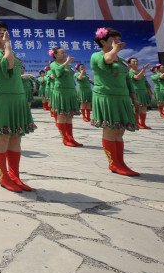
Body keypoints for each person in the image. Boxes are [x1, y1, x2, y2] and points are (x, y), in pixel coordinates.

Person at [0, 21, 36, 192]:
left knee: (16, 137)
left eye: (5, 30)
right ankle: (3, 177)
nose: (3, 32)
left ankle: (15, 176)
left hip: (17, 97)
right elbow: (9, 65)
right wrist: (7, 45)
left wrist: (7, 47)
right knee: (3, 137)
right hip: (0, 97)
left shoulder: (7, 50)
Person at [91, 27, 140, 176]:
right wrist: (114, 50)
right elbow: (107, 59)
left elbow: (127, 79)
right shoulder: (97, 56)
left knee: (120, 131)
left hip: (122, 97)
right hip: (107, 97)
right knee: (111, 129)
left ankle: (121, 162)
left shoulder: (122, 60)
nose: (118, 42)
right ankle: (114, 163)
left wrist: (134, 98)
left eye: (118, 39)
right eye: (114, 39)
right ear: (103, 41)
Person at [49, 47, 82, 147]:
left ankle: (71, 138)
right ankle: (65, 139)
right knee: (62, 115)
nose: (64, 54)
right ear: (55, 55)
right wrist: (67, 62)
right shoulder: (53, 64)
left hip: (70, 91)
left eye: (65, 53)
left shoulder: (69, 65)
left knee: (69, 116)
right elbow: (58, 73)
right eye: (61, 53)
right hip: (61, 92)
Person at [127, 57, 152, 129]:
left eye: (136, 61)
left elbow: (146, 83)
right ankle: (136, 123)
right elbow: (137, 78)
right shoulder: (130, 72)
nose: (136, 62)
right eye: (133, 61)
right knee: (137, 107)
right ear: (129, 64)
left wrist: (149, 91)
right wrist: (143, 70)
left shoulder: (140, 72)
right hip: (136, 92)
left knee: (144, 107)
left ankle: (143, 123)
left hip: (144, 91)